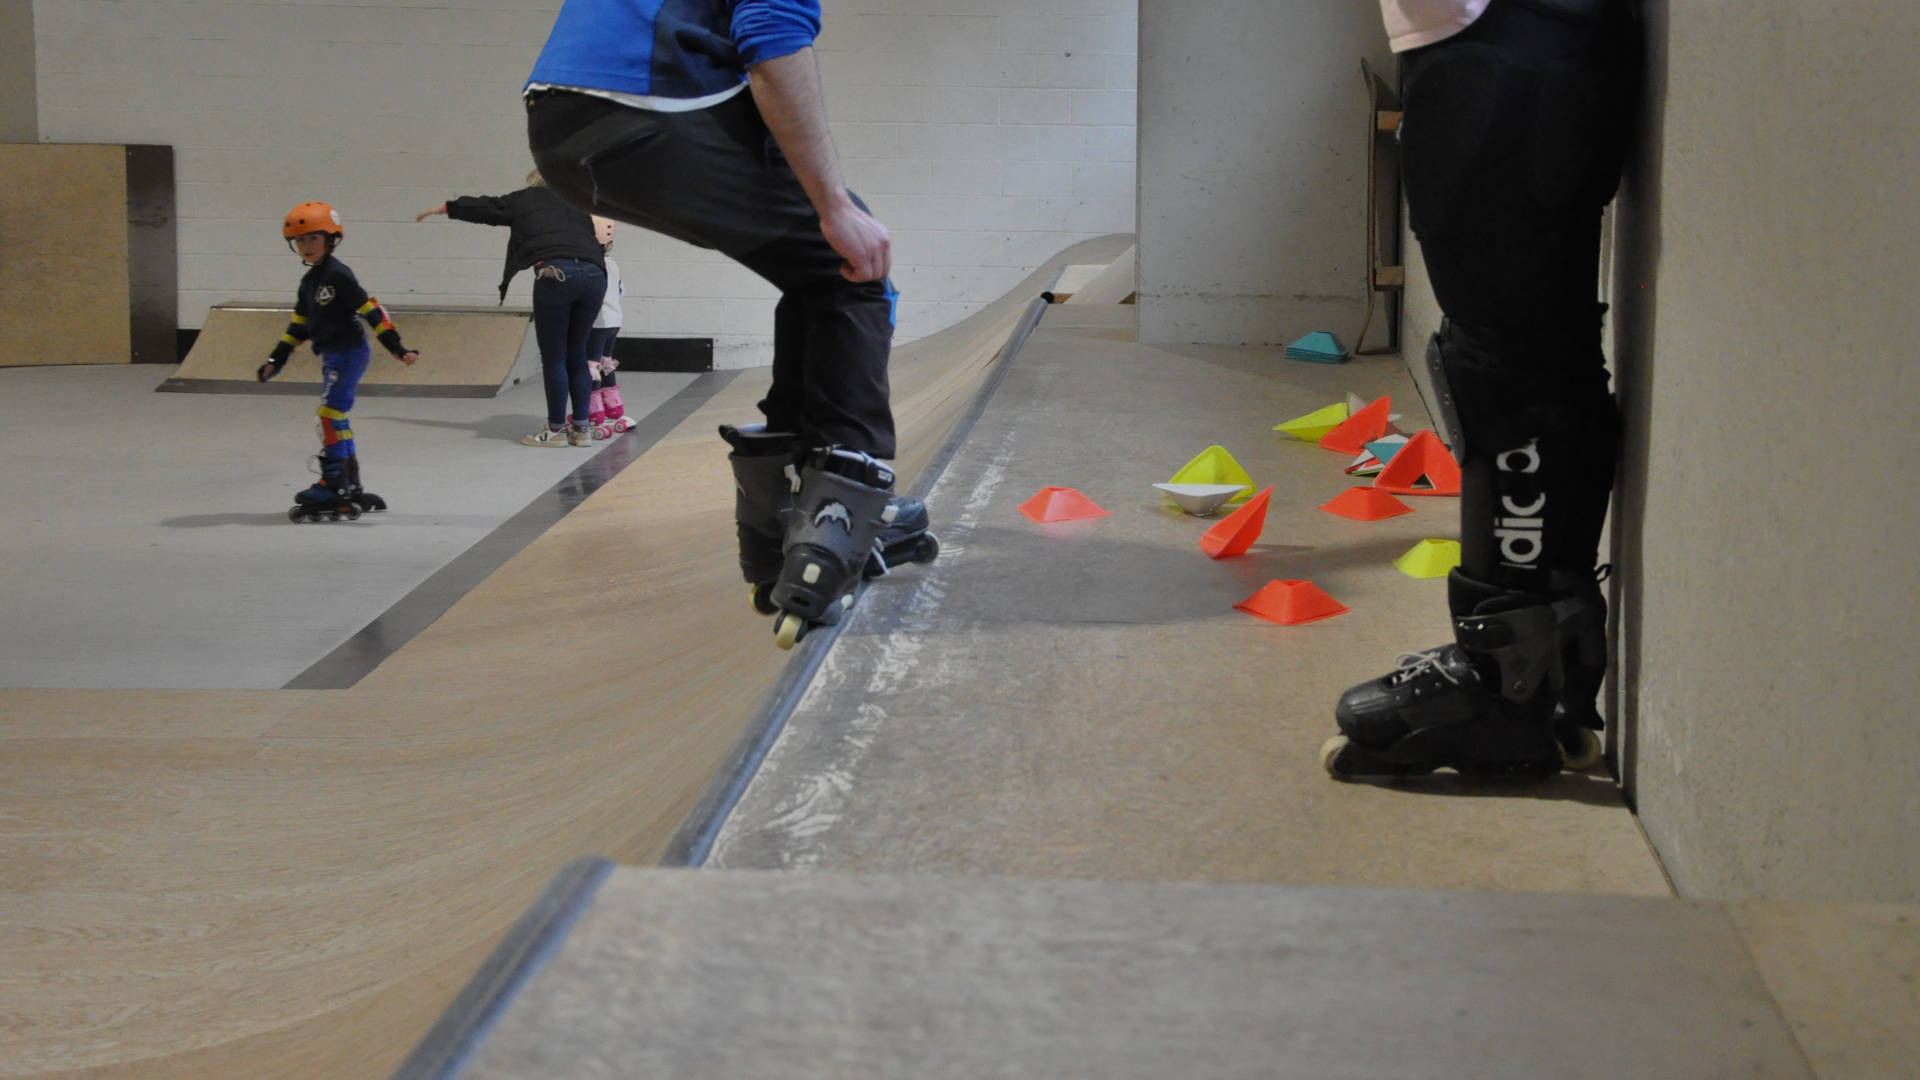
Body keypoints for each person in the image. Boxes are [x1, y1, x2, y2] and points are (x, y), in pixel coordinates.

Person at [519, 0, 935, 648]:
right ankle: (838, 520)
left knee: (814, 265)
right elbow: (774, 38)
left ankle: (779, 524)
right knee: (851, 264)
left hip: (560, 128)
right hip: (642, 104)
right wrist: (831, 205)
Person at [1322, 0, 1643, 779]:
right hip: (1529, 37)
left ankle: (1501, 683)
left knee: (1500, 372)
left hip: (1489, 40)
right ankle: (1548, 654)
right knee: (1545, 355)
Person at [417, 173, 606, 447]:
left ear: (534, 181)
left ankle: (555, 431)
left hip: (556, 274)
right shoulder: (575, 202)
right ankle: (582, 429)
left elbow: (488, 208)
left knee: (555, 357)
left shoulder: (526, 199)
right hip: (595, 276)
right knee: (577, 353)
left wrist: (447, 208)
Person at [258, 201, 419, 522]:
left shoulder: (338, 275)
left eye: (312, 238)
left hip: (349, 352)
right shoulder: (309, 282)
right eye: (300, 240)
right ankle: (349, 483)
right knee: (336, 417)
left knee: (328, 416)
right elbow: (299, 326)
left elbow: (371, 310)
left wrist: (397, 348)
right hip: (334, 354)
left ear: (331, 240)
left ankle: (333, 485)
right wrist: (276, 358)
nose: (306, 246)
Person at [582, 214, 634, 438]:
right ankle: (615, 409)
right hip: (615, 320)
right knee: (606, 363)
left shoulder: (590, 265)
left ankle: (594, 413)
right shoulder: (612, 263)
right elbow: (621, 290)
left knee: (591, 366)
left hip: (597, 322)